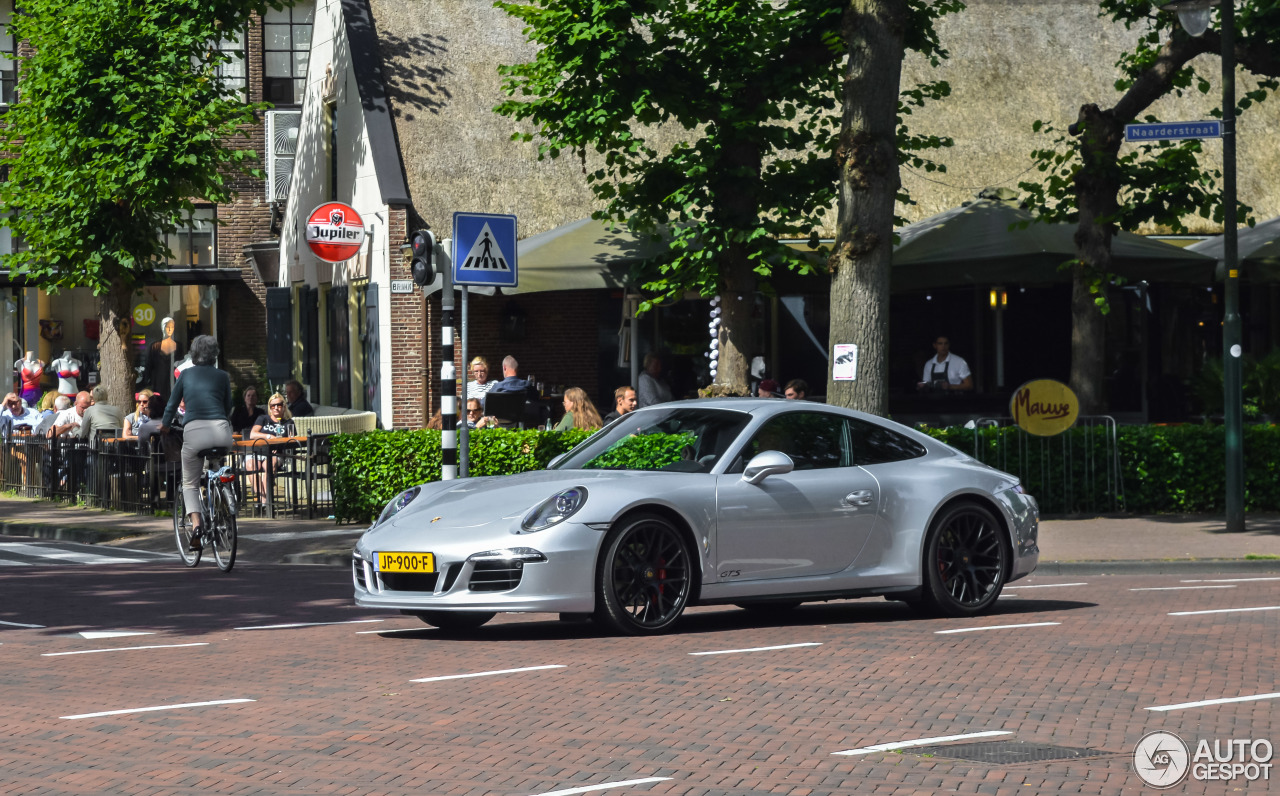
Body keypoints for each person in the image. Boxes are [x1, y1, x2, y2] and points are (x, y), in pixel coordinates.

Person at [158, 335, 233, 546]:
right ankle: (222, 503)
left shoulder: (186, 374)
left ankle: (197, 526)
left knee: (190, 483)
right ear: (215, 354)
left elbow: (172, 405)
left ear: (193, 353)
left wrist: (164, 425)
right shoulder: (223, 376)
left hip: (195, 431)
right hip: (221, 431)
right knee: (216, 466)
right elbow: (228, 406)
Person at [245, 392, 296, 509]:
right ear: (270, 407)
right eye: (273, 406)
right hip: (257, 452)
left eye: (279, 405)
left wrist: (279, 446)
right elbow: (253, 434)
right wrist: (269, 437)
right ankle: (264, 500)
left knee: (269, 464)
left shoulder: (288, 423)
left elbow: (292, 442)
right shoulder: (263, 418)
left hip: (276, 454)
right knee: (250, 464)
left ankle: (264, 502)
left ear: (284, 406)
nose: (276, 408)